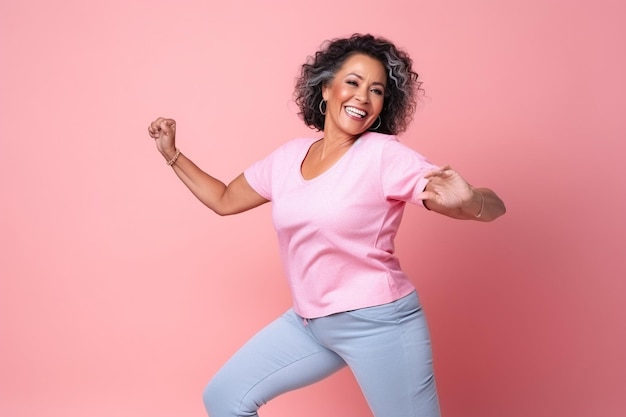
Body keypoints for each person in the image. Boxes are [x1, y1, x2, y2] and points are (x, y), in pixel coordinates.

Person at [148, 33, 505, 417]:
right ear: (325, 88)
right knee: (225, 397)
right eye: (352, 82)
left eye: (377, 91)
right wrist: (172, 155)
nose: (362, 98)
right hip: (309, 324)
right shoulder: (288, 158)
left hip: (380, 323)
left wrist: (470, 201)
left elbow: (488, 206)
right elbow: (223, 199)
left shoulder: (383, 156)